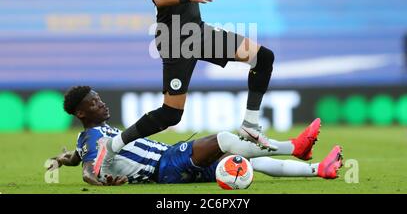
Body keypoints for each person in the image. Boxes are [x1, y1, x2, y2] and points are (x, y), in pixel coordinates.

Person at [102, 0, 284, 156]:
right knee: (171, 114)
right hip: (175, 37)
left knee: (263, 57)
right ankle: (111, 146)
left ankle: (250, 126)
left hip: (197, 31)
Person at [50, 86, 343, 186]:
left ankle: (319, 170)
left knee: (241, 161)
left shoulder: (89, 140)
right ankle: (295, 146)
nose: (101, 104)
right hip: (165, 164)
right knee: (225, 139)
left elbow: (79, 159)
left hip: (168, 169)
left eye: (99, 99)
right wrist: (98, 181)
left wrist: (61, 160)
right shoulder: (92, 136)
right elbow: (89, 170)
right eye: (93, 103)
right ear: (81, 114)